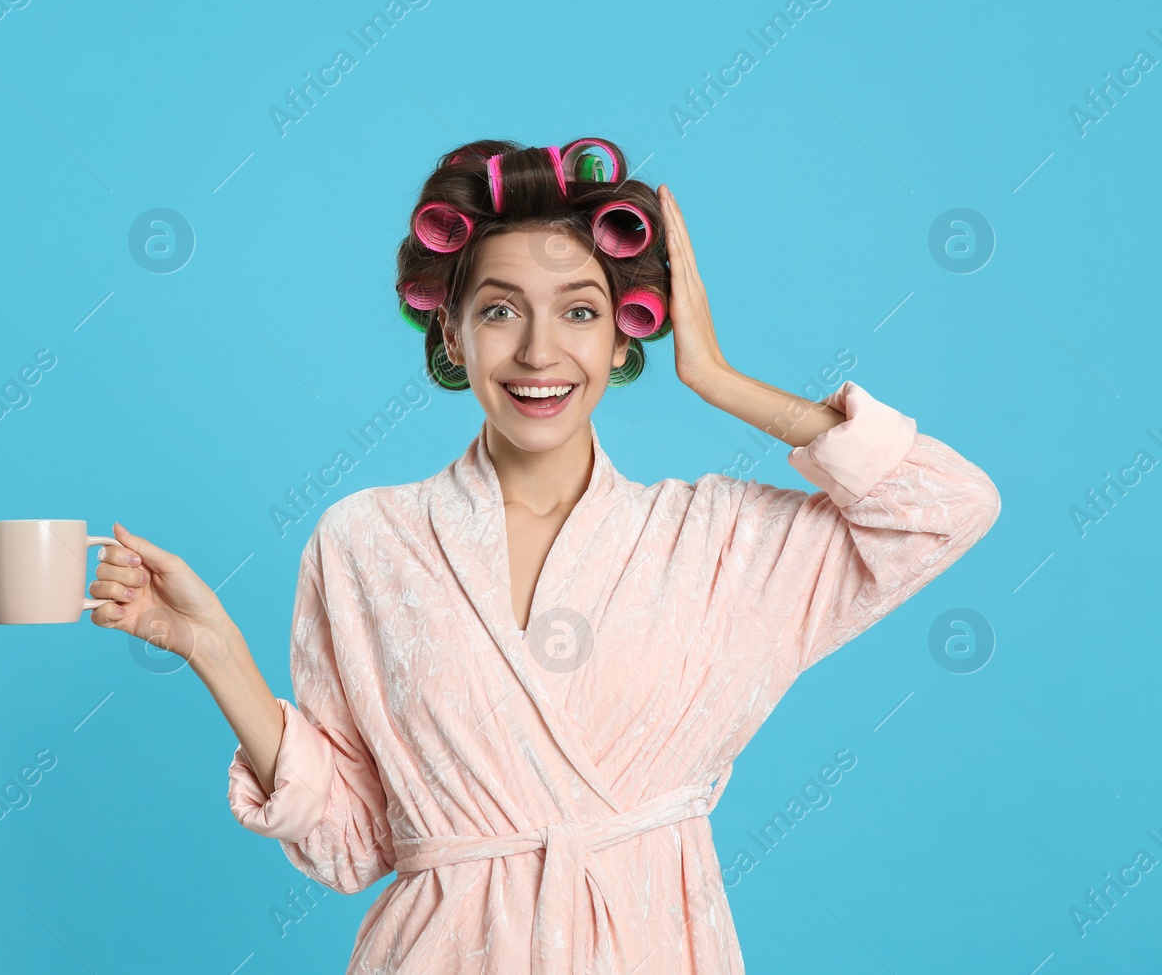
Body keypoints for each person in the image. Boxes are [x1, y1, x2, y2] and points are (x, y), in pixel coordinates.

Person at [84, 138, 1002, 974]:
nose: (537, 350)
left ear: (624, 331)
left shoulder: (719, 542)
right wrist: (216, 651)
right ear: (451, 331)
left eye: (578, 310)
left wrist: (718, 378)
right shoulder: (366, 540)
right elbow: (355, 842)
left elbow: (948, 506)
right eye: (498, 310)